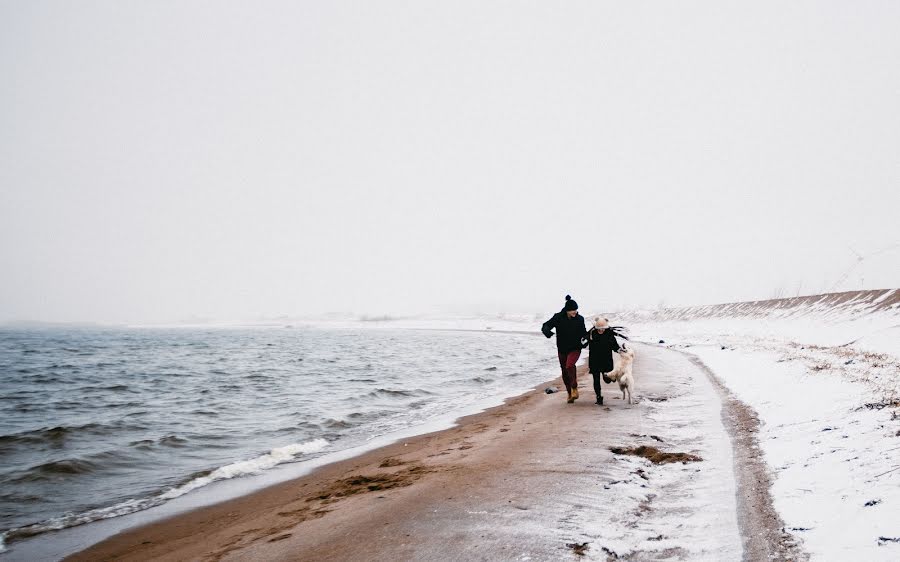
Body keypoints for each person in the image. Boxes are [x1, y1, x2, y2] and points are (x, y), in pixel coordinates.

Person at [541, 295, 587, 403]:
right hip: (562, 348)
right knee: (564, 371)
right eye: (572, 310)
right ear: (567, 310)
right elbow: (546, 325)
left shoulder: (580, 319)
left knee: (570, 365)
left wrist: (585, 340)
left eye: (576, 310)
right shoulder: (558, 317)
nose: (575, 312)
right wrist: (547, 330)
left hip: (575, 347)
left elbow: (583, 332)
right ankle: (569, 393)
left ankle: (574, 387)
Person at [584, 317, 623, 405]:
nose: (601, 330)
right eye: (599, 329)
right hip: (594, 360)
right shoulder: (591, 334)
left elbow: (614, 346)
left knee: (607, 380)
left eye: (603, 329)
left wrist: (620, 351)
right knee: (596, 379)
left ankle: (611, 378)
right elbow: (583, 343)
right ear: (596, 328)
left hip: (606, 361)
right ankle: (599, 397)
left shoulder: (609, 334)